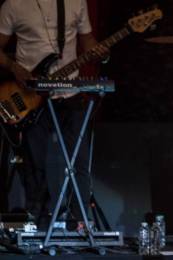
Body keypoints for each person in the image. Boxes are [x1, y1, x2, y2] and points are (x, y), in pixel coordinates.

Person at [0, 0, 107, 228]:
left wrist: (100, 50)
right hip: (30, 94)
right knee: (34, 163)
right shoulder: (13, 4)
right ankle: (37, 224)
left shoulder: (76, 1)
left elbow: (86, 39)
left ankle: (80, 222)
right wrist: (13, 67)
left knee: (79, 160)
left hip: (70, 92)